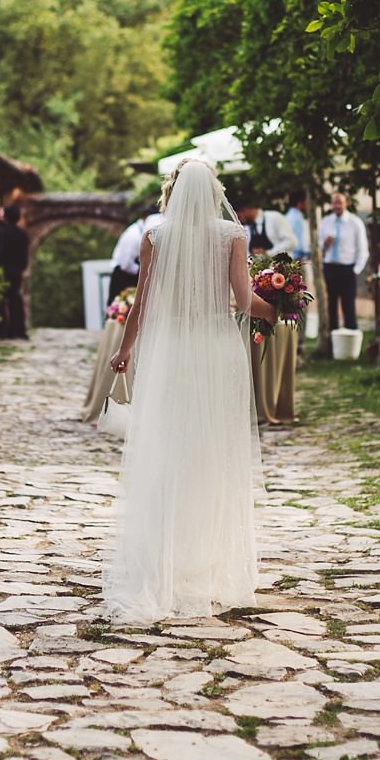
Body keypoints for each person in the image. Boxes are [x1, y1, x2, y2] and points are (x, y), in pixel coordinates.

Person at [105, 158, 276, 623]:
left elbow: (141, 302)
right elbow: (244, 301)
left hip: (173, 350)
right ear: (214, 192)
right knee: (213, 454)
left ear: (174, 191)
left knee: (170, 450)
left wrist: (124, 351)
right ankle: (209, 562)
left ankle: (170, 560)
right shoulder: (232, 236)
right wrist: (275, 308)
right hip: (217, 349)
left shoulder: (156, 236)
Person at [318, 192, 368, 330]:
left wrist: (356, 270)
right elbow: (318, 246)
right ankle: (332, 339)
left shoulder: (355, 223)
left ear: (346, 203)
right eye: (334, 203)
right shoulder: (325, 222)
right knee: (331, 306)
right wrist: (325, 243)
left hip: (348, 269)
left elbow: (363, 249)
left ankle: (351, 338)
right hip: (330, 267)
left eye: (339, 202)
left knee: (348, 305)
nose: (337, 205)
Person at [0, 204, 30, 339]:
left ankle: (1, 331)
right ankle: (17, 330)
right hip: (16, 271)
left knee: (1, 301)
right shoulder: (22, 234)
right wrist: (21, 268)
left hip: (2, 270)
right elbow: (25, 256)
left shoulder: (1, 233)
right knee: (15, 299)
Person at [107, 205, 161, 305]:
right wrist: (144, 273)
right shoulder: (133, 235)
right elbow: (126, 264)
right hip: (124, 276)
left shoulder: (145, 232)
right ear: (145, 218)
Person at [284, 191, 312, 263]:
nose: (307, 204)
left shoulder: (287, 216)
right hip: (297, 257)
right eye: (306, 201)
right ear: (300, 203)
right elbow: (299, 240)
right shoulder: (297, 218)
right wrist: (307, 252)